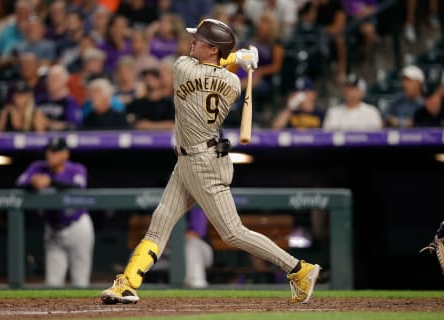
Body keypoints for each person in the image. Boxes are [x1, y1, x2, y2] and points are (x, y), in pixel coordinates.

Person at [100, 18, 320, 305]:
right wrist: (240, 59)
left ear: (213, 49)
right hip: (195, 159)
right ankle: (126, 284)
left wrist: (236, 57)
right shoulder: (233, 83)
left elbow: (209, 68)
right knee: (160, 221)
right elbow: (219, 69)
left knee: (233, 232)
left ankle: (299, 269)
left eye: (200, 40)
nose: (193, 42)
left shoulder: (183, 68)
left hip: (203, 163)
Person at [16, 137, 94, 287]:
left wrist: (50, 182)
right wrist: (33, 183)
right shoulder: (38, 167)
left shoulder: (76, 169)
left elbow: (78, 187)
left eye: (56, 151)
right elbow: (19, 183)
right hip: (53, 230)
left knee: (80, 281)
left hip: (77, 226)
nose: (51, 155)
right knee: (52, 283)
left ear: (66, 154)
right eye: (49, 151)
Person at [37, 65, 82, 130]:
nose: (51, 81)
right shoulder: (40, 100)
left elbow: (74, 126)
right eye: (49, 78)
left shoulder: (70, 102)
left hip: (61, 139)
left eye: (56, 78)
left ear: (64, 81)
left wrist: (48, 124)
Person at [185, 207, 213, 288]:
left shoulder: (196, 206)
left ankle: (197, 283)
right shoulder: (167, 206)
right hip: (168, 254)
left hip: (202, 251)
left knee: (192, 243)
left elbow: (197, 233)